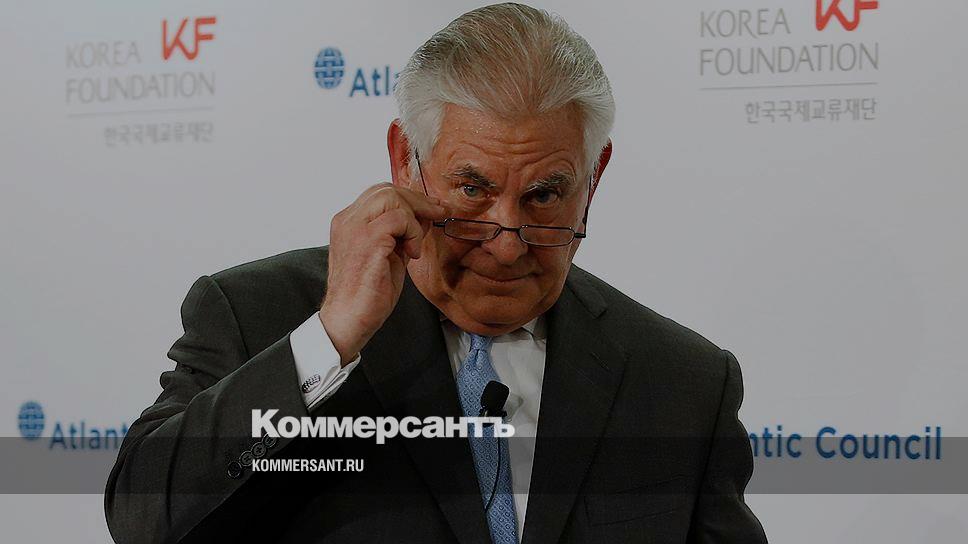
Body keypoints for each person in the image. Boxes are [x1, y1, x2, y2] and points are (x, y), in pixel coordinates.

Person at [105, 3, 767, 543]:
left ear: (594, 179)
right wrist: (329, 341)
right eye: (473, 190)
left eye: (544, 196)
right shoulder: (258, 316)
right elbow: (141, 520)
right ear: (406, 160)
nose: (506, 246)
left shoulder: (683, 381)